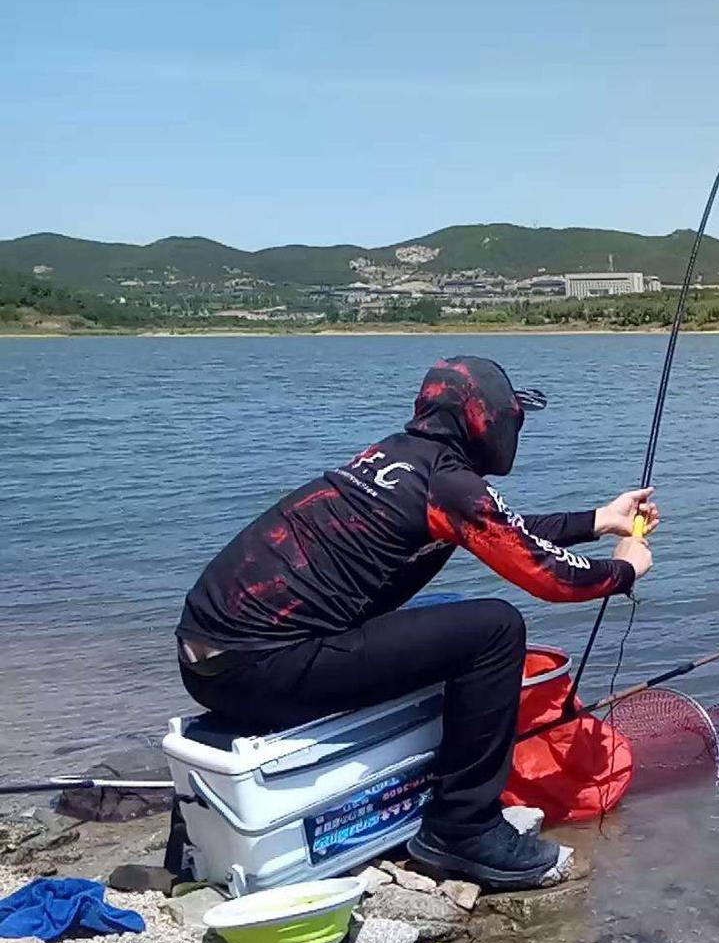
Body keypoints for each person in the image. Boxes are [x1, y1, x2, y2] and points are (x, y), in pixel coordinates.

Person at [174, 355, 657, 889]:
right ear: (486, 421)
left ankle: (426, 782)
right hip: (259, 669)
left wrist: (598, 520)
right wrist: (623, 569)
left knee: (446, 608)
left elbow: (501, 529)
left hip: (213, 665)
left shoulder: (398, 458)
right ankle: (464, 826)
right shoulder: (447, 482)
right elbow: (549, 578)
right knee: (496, 630)